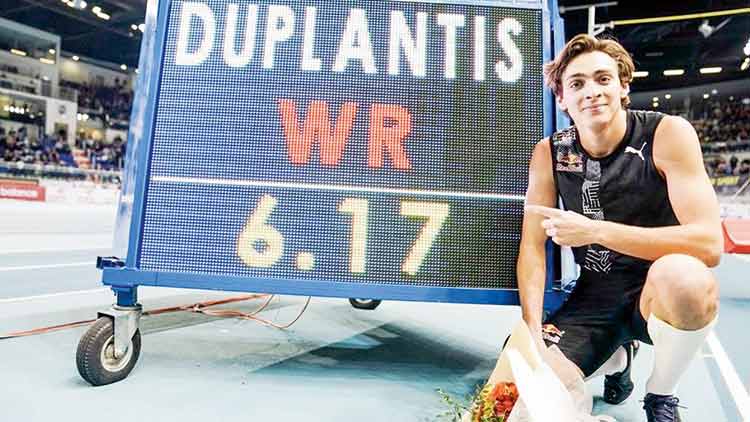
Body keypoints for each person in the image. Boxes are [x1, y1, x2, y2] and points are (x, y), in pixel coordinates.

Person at [516, 34, 721, 422]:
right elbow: (532, 246)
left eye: (603, 79)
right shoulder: (550, 152)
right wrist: (531, 328)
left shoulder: (667, 133)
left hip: (656, 292)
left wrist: (597, 231)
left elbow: (709, 244)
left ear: (623, 86)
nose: (591, 91)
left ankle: (661, 394)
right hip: (595, 296)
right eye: (577, 83)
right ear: (562, 98)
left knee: (686, 278)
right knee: (526, 394)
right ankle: (617, 358)